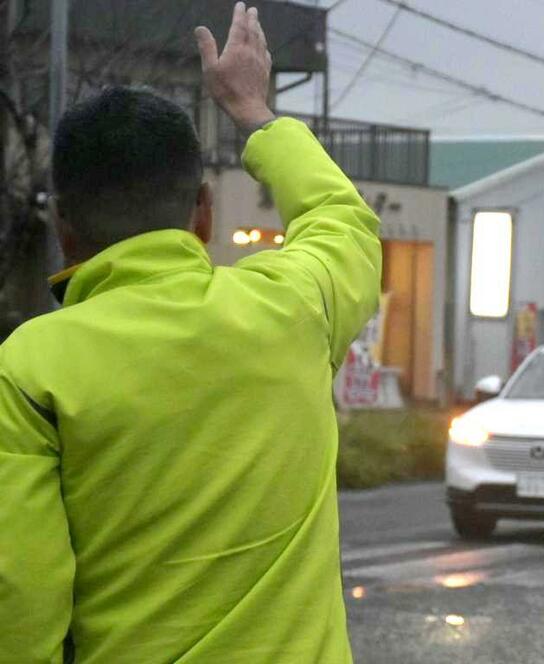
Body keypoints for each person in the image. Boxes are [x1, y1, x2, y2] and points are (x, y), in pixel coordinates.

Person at [0, 4, 380, 662]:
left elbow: (19, 591)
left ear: (63, 223)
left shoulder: (29, 368)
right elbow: (340, 220)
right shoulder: (293, 308)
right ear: (203, 210)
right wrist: (252, 110)